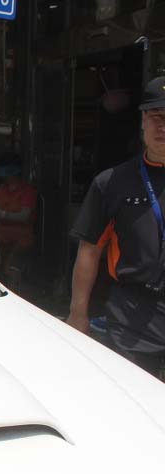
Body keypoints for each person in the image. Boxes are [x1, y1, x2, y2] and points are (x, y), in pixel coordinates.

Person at [67, 76, 165, 376]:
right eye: (155, 117)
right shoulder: (112, 182)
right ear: (142, 122)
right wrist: (78, 314)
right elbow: (89, 251)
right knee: (134, 398)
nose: (162, 126)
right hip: (132, 317)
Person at [0, 152, 37, 275]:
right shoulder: (0, 189)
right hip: (0, 235)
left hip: (21, 236)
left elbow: (24, 216)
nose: (4, 177)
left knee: (10, 266)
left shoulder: (27, 191)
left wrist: (4, 215)